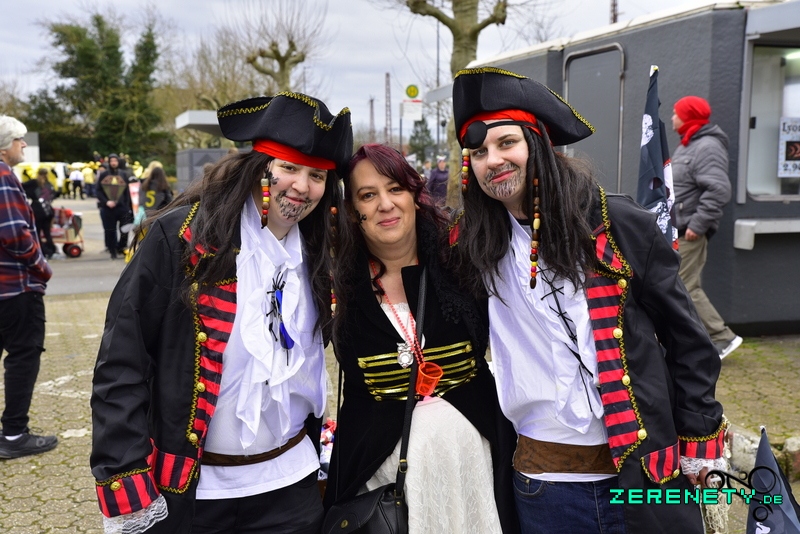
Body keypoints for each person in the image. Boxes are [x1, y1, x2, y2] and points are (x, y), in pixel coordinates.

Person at [450, 68, 726, 534]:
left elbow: (688, 339)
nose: (492, 160)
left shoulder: (617, 223)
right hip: (545, 486)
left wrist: (700, 435)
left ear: (537, 144)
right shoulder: (473, 247)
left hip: (644, 476)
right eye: (478, 152)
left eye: (506, 143)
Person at [90, 92, 352, 534]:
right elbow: (122, 363)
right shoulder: (182, 237)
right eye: (289, 168)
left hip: (292, 487)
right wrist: (128, 481)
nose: (302, 187)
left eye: (317, 175)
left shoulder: (322, 252)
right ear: (260, 166)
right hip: (196, 494)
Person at [324, 144, 518, 533]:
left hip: (476, 472)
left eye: (395, 188)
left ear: (414, 194)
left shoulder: (464, 261)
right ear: (352, 211)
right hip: (384, 485)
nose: (385, 204)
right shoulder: (336, 284)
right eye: (368, 195)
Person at [0, 115, 58, 459]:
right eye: (18, 140)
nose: (23, 145)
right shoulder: (4, 176)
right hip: (16, 288)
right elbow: (13, 233)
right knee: (24, 356)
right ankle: (13, 434)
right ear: (4, 146)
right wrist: (41, 266)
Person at [671, 96, 742, 359]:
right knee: (682, 284)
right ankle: (696, 341)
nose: (672, 118)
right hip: (679, 228)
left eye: (676, 113)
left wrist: (698, 225)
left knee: (684, 286)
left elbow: (718, 190)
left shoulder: (707, 146)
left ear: (688, 116)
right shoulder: (688, 144)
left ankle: (723, 337)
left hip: (690, 231)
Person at [96, 153, 133, 259]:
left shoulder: (123, 174)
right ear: (109, 162)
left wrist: (127, 205)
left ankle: (121, 247)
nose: (113, 163)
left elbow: (127, 191)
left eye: (115, 161)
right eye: (111, 161)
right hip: (108, 208)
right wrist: (106, 202)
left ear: (118, 162)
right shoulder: (104, 174)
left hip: (122, 207)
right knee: (110, 230)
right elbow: (98, 190)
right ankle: (112, 250)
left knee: (125, 228)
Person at [22, 168, 59, 259]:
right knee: (47, 233)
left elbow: (21, 186)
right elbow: (54, 195)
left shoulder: (33, 183)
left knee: (37, 233)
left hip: (37, 210)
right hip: (48, 210)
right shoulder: (49, 184)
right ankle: (51, 249)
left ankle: (42, 250)